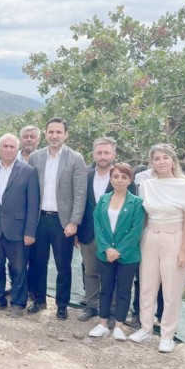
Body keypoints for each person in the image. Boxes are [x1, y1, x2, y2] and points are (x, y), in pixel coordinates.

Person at [129, 144, 185, 353]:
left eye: (165, 158)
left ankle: (167, 334)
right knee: (147, 285)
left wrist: (184, 249)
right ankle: (145, 327)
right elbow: (145, 216)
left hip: (175, 237)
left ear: (173, 161)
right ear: (152, 163)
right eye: (156, 158)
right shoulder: (147, 185)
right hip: (150, 236)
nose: (161, 162)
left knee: (171, 288)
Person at [28, 117, 87, 320]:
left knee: (63, 265)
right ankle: (39, 300)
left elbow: (80, 194)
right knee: (38, 263)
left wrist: (74, 222)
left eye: (58, 132)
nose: (54, 136)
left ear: (65, 134)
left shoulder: (76, 159)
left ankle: (62, 304)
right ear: (45, 134)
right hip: (40, 219)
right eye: (51, 132)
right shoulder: (36, 157)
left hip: (63, 222)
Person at [0, 134, 39, 317]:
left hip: (18, 230)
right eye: (5, 146)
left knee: (18, 268)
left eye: (12, 147)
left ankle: (18, 303)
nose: (8, 150)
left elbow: (33, 205)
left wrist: (30, 231)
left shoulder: (28, 171)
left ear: (16, 149)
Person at [76, 137, 136, 322]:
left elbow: (131, 207)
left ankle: (112, 311)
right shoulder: (84, 175)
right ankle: (92, 306)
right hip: (88, 233)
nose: (102, 156)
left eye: (106, 152)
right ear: (93, 154)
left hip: (115, 236)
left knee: (114, 275)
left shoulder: (122, 176)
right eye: (99, 152)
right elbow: (79, 203)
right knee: (90, 271)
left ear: (114, 154)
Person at [88, 163, 145, 340]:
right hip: (105, 253)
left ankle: (119, 325)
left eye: (124, 177)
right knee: (105, 289)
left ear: (130, 180)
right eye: (116, 177)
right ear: (111, 179)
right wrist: (106, 248)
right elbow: (98, 225)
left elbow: (137, 229)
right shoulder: (103, 199)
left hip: (127, 256)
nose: (119, 180)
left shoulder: (136, 202)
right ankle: (103, 323)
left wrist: (118, 251)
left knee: (123, 290)